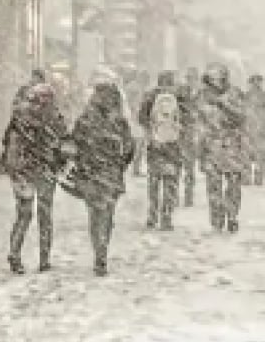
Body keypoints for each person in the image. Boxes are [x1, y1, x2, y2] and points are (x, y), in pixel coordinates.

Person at [0, 82, 68, 274]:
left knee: (24, 214)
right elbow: (64, 144)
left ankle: (15, 254)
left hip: (24, 171)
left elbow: (8, 142)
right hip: (44, 170)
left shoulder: (20, 116)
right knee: (44, 215)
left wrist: (13, 166)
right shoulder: (54, 117)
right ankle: (43, 259)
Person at [70, 77, 136, 275]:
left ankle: (98, 249)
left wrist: (81, 163)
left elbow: (74, 144)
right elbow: (130, 147)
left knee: (94, 214)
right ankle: (102, 250)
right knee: (107, 213)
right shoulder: (119, 119)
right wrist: (120, 164)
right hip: (111, 172)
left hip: (91, 172)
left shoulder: (85, 118)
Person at [197, 64, 247, 232]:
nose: (211, 85)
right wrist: (200, 150)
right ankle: (216, 219)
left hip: (232, 147)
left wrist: (222, 105)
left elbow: (241, 117)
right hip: (211, 147)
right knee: (213, 186)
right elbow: (198, 123)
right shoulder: (202, 96)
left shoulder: (235, 93)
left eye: (214, 80)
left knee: (233, 184)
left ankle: (232, 216)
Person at [139, 71, 188, 230]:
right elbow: (187, 119)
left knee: (154, 182)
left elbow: (141, 118)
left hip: (155, 144)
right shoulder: (179, 96)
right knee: (170, 181)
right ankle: (166, 217)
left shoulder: (150, 96)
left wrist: (152, 131)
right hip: (173, 145)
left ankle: (152, 217)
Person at [240, 74, 265, 186]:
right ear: (251, 83)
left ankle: (256, 179)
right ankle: (249, 179)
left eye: (259, 81)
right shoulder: (245, 96)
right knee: (248, 156)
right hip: (249, 130)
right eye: (255, 82)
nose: (257, 84)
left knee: (258, 157)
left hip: (259, 131)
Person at [177, 67, 201, 207]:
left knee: (189, 168)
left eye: (193, 77)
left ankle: (188, 195)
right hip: (182, 133)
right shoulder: (181, 92)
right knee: (180, 167)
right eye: (190, 77)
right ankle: (178, 195)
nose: (192, 80)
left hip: (190, 134)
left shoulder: (199, 94)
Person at [125, 69, 149, 177]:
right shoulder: (134, 87)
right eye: (145, 78)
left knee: (139, 145)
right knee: (138, 145)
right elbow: (131, 103)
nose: (146, 81)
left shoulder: (139, 87)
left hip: (139, 119)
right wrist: (134, 112)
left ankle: (136, 168)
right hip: (136, 120)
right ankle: (135, 169)